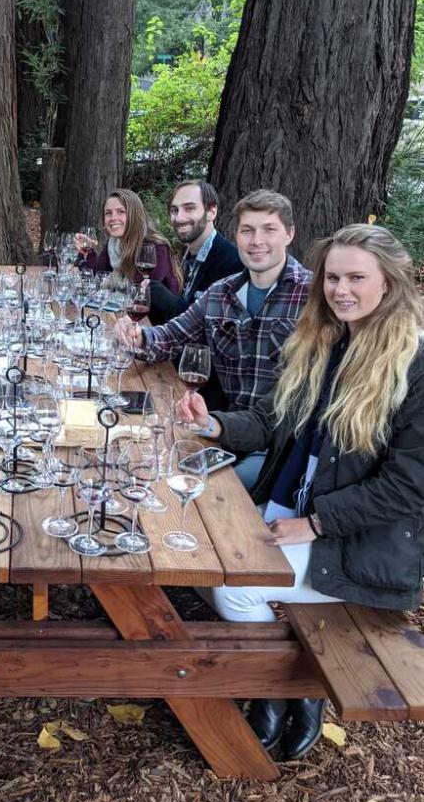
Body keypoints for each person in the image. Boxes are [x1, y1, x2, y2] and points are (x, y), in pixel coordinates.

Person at [175, 223, 424, 760]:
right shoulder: (321, 339)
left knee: (234, 588)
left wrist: (314, 523)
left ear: (389, 283)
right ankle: (289, 683)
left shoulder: (413, 363)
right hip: (293, 508)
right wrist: (213, 423)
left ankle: (288, 688)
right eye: (332, 277)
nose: (340, 290)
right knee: (190, 546)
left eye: (356, 278)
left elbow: (409, 487)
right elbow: (269, 420)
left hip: (359, 545)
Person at [117, 189, 312, 488]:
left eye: (269, 230)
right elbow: (172, 335)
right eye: (247, 230)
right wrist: (139, 336)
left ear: (289, 234)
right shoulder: (221, 292)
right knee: (142, 464)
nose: (256, 240)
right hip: (226, 430)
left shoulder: (314, 297)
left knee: (195, 489)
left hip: (281, 448)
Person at [73, 188, 183, 325]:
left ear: (134, 215)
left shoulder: (155, 248)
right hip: (125, 318)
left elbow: (142, 295)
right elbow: (96, 277)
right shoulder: (114, 244)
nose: (113, 218)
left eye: (121, 212)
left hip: (158, 325)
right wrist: (88, 252)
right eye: (108, 213)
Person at [168, 180, 242, 311]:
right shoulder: (184, 257)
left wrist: (168, 302)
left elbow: (218, 320)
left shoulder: (233, 263)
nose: (179, 218)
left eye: (189, 208)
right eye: (174, 210)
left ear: (211, 212)